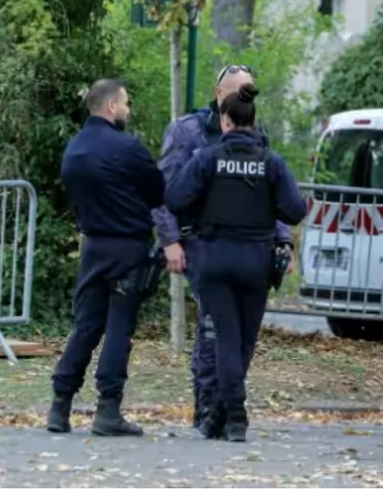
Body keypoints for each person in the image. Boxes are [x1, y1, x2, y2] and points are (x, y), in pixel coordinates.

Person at [151, 64, 295, 431]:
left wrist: (283, 241)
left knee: (239, 334)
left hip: (250, 247)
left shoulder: (257, 134)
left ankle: (222, 409)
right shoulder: (188, 131)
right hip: (202, 242)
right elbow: (165, 190)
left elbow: (273, 196)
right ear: (219, 94)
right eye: (239, 91)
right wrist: (170, 240)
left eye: (249, 91)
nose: (246, 97)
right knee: (214, 328)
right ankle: (209, 408)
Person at [47, 79, 165, 437]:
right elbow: (157, 191)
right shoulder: (128, 147)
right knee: (118, 328)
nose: (128, 109)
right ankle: (108, 410)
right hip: (128, 247)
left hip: (93, 246)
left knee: (86, 326)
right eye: (126, 103)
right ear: (112, 106)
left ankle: (60, 405)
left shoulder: (75, 149)